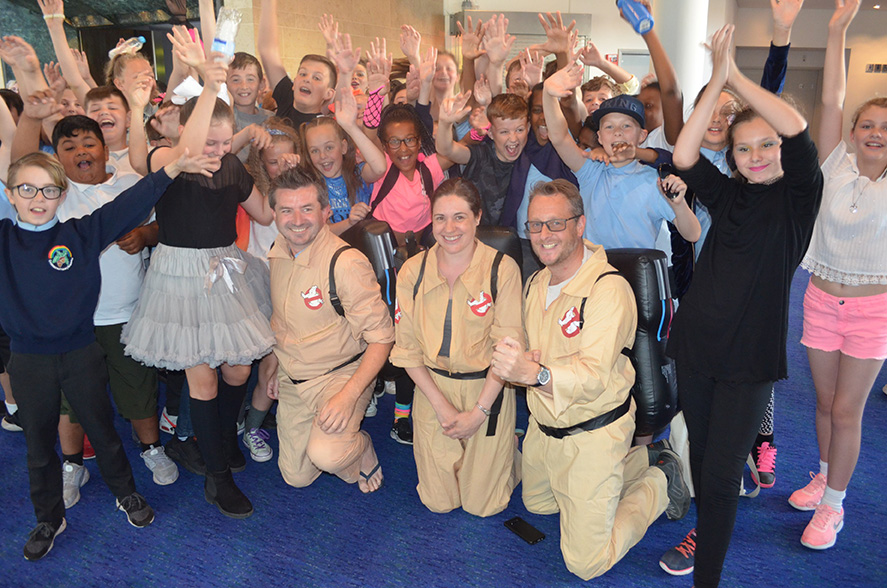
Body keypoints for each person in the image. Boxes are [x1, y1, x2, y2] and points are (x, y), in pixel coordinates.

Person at [0, 143, 210, 560]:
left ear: (62, 195)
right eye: (26, 189)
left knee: (104, 431)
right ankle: (48, 517)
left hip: (80, 353)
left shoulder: (79, 233)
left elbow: (132, 203)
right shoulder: (3, 239)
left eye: (47, 191)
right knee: (39, 447)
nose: (37, 199)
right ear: (9, 194)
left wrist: (173, 169)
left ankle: (126, 493)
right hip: (27, 361)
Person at [667, 25, 823, 588]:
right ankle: (707, 535)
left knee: (722, 471)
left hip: (750, 358)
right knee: (704, 459)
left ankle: (706, 576)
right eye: (743, 148)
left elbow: (799, 129)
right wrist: (716, 82)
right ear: (731, 156)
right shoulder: (728, 192)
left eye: (765, 145)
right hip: (697, 345)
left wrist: (737, 76)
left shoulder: (798, 198)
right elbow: (684, 152)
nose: (755, 156)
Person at [491, 178, 689, 580]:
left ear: (580, 225)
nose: (543, 236)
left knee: (585, 562)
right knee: (538, 506)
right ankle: (638, 461)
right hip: (546, 429)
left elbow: (594, 377)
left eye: (555, 224)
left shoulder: (608, 289)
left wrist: (535, 372)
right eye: (535, 226)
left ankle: (659, 481)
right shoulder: (536, 282)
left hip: (592, 431)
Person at [122, 47, 275, 519]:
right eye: (208, 141)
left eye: (225, 141)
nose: (216, 150)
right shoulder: (170, 158)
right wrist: (209, 85)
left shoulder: (230, 165)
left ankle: (222, 439)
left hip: (226, 271)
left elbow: (266, 213)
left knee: (238, 371)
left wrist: (285, 182)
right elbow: (149, 156)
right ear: (188, 136)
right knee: (203, 378)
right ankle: (217, 476)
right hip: (180, 275)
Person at [790, 0, 887, 551]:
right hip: (821, 300)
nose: (874, 133)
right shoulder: (834, 164)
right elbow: (830, 98)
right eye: (866, 124)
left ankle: (835, 506)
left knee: (849, 411)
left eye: (884, 127)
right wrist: (836, 31)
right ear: (852, 132)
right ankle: (824, 474)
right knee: (825, 405)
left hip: (874, 310)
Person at [390, 178, 523, 516]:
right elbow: (406, 350)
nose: (449, 228)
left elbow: (507, 354)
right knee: (439, 502)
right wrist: (443, 408)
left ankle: (511, 451)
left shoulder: (502, 270)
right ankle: (485, 455)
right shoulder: (411, 272)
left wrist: (479, 412)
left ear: (478, 217)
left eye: (459, 217)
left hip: (487, 388)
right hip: (432, 388)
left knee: (484, 506)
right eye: (440, 218)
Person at [261, 166, 393, 494]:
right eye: (286, 210)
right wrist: (277, 367)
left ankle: (361, 447)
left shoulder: (346, 264)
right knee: (297, 476)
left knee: (328, 456)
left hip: (339, 375)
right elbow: (282, 320)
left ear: (325, 211)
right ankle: (339, 441)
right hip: (295, 376)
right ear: (274, 213)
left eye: (307, 209)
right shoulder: (278, 251)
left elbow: (382, 338)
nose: (297, 220)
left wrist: (348, 397)